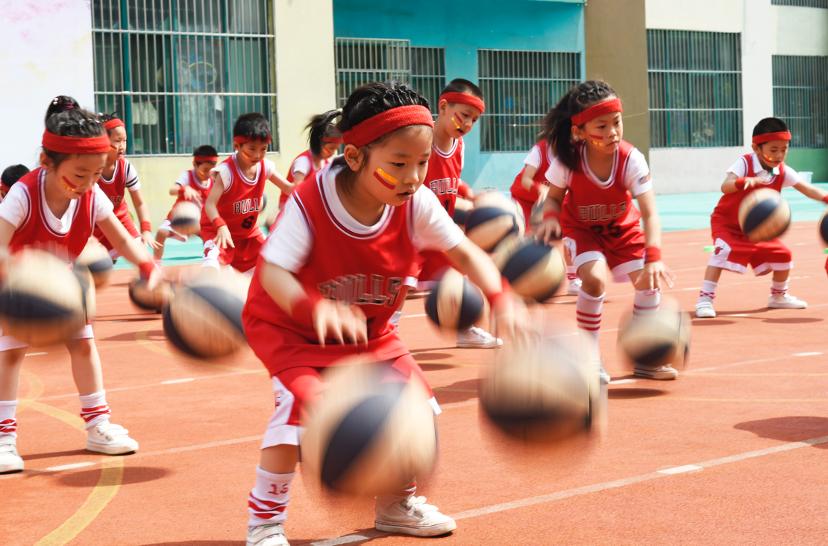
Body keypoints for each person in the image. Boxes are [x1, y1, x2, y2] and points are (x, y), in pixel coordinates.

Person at [241, 81, 519, 546]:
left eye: (423, 163)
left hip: (369, 329)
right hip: (291, 329)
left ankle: (395, 505)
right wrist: (313, 307)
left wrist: (502, 296)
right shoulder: (313, 202)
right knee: (299, 413)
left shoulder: (415, 204)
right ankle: (265, 523)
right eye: (399, 164)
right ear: (354, 158)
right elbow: (271, 272)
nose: (413, 176)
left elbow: (466, 253)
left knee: (416, 409)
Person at [0, 108, 161, 474]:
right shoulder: (23, 196)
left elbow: (123, 237)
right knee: (10, 355)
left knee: (84, 345)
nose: (89, 182)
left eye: (96, 173)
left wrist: (150, 268)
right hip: (17, 287)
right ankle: (3, 438)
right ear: (46, 162)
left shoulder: (92, 194)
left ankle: (97, 425)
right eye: (79, 174)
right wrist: (22, 279)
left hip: (64, 285)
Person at [537, 80, 676, 381]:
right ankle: (588, 357)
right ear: (580, 131)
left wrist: (654, 257)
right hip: (583, 230)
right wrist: (550, 218)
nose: (612, 131)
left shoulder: (630, 159)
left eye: (616, 122)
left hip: (623, 230)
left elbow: (650, 213)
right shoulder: (568, 160)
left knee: (649, 282)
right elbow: (554, 199)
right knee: (595, 280)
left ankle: (645, 356)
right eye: (601, 126)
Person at [694, 117, 828, 318]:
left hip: (757, 228)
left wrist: (826, 198)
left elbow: (807, 189)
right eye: (774, 150)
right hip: (728, 223)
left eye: (784, 149)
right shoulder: (745, 163)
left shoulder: (781, 171)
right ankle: (705, 299)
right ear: (756, 148)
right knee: (721, 252)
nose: (780, 155)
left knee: (784, 255)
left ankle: (778, 296)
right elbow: (725, 185)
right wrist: (743, 181)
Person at [417, 78, 499, 348]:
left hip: (440, 227)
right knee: (396, 286)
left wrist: (471, 194)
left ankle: (464, 329)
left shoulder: (459, 147)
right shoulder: (419, 140)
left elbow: (452, 180)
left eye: (473, 120)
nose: (467, 125)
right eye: (463, 115)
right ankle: (379, 335)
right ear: (443, 106)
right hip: (411, 227)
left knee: (458, 276)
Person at [202, 113, 293, 273]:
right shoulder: (227, 172)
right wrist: (220, 225)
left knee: (274, 261)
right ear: (237, 145)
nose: (257, 155)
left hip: (248, 233)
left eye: (263, 149)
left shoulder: (265, 167)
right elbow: (209, 204)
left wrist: (316, 185)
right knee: (212, 266)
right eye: (251, 149)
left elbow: (288, 188)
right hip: (219, 230)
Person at [510, 138, 581, 295]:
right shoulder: (539, 151)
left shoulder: (571, 155)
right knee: (525, 240)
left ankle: (573, 279)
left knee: (569, 233)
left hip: (551, 200)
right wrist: (540, 189)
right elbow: (526, 180)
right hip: (524, 199)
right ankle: (516, 277)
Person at [92, 113, 160, 260]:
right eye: (117, 141)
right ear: (103, 141)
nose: (122, 146)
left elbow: (139, 202)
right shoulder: (92, 169)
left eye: (125, 141)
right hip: (97, 226)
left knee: (142, 257)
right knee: (98, 267)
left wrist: (146, 230)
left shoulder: (126, 167)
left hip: (122, 220)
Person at [153, 145, 218, 260]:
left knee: (214, 238)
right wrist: (184, 189)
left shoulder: (214, 181)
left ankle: (210, 260)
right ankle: (156, 263)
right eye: (204, 170)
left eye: (210, 170)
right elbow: (172, 190)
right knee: (161, 233)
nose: (208, 173)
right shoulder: (187, 176)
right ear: (195, 165)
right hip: (178, 219)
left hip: (199, 223)